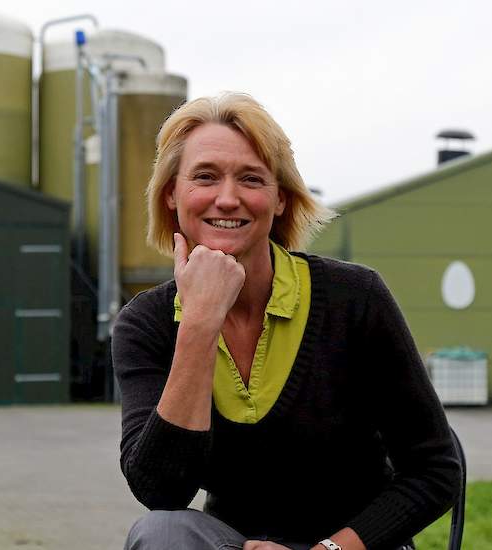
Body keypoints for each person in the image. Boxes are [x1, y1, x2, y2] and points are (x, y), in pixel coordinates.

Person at [113, 92, 460, 550]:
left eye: (251, 179)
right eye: (205, 177)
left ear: (279, 199)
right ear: (172, 195)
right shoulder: (147, 323)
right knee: (160, 534)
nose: (228, 198)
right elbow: (162, 491)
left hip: (354, 547)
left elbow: (434, 470)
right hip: (237, 542)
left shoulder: (354, 299)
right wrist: (198, 322)